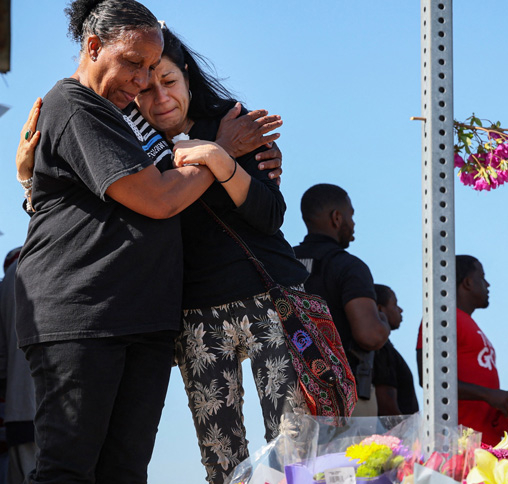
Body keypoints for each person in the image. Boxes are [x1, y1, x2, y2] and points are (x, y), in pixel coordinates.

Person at [14, 1, 241, 482]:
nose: (142, 81)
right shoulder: (73, 105)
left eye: (151, 68)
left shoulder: (124, 119)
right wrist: (221, 154)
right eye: (133, 64)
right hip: (83, 316)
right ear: (93, 47)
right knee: (68, 470)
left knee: (124, 472)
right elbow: (158, 199)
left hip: (144, 320)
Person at [135, 26, 310, 484]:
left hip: (273, 301)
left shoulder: (234, 127)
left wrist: (217, 155)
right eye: (146, 89)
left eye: (168, 81)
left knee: (295, 453)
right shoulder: (132, 155)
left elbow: (270, 216)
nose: (160, 97)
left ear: (187, 75)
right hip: (195, 318)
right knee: (222, 464)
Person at [416, 255, 508, 445]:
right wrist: (488, 395)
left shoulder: (467, 322)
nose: (488, 284)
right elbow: (429, 379)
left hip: (485, 440)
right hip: (459, 444)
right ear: (467, 282)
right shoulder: (442, 318)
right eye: (482, 277)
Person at [293, 184, 390, 416]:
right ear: (336, 218)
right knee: (351, 454)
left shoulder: (284, 263)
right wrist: (383, 322)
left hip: (290, 396)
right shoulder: (348, 266)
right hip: (343, 399)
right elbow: (369, 335)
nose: (353, 223)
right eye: (351, 215)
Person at [0, 247, 37, 484]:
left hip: (19, 408)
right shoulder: (50, 261)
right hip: (58, 405)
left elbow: (0, 353)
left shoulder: (6, 282)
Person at [372, 284, 419, 416]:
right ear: (380, 310)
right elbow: (387, 407)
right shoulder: (382, 350)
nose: (400, 310)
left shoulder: (385, 349)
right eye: (394, 304)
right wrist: (406, 435)